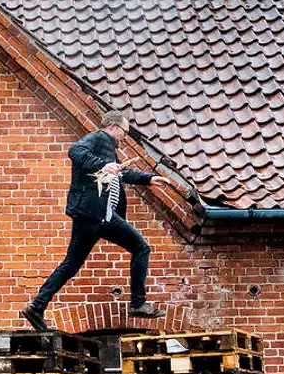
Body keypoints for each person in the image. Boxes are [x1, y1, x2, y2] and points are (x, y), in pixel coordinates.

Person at [22, 111, 182, 331]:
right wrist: (102, 166)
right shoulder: (98, 139)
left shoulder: (109, 150)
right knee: (141, 247)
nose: (125, 137)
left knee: (71, 264)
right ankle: (138, 303)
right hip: (96, 215)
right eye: (125, 132)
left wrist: (149, 179)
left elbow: (122, 173)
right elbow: (75, 151)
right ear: (114, 127)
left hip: (95, 217)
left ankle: (37, 307)